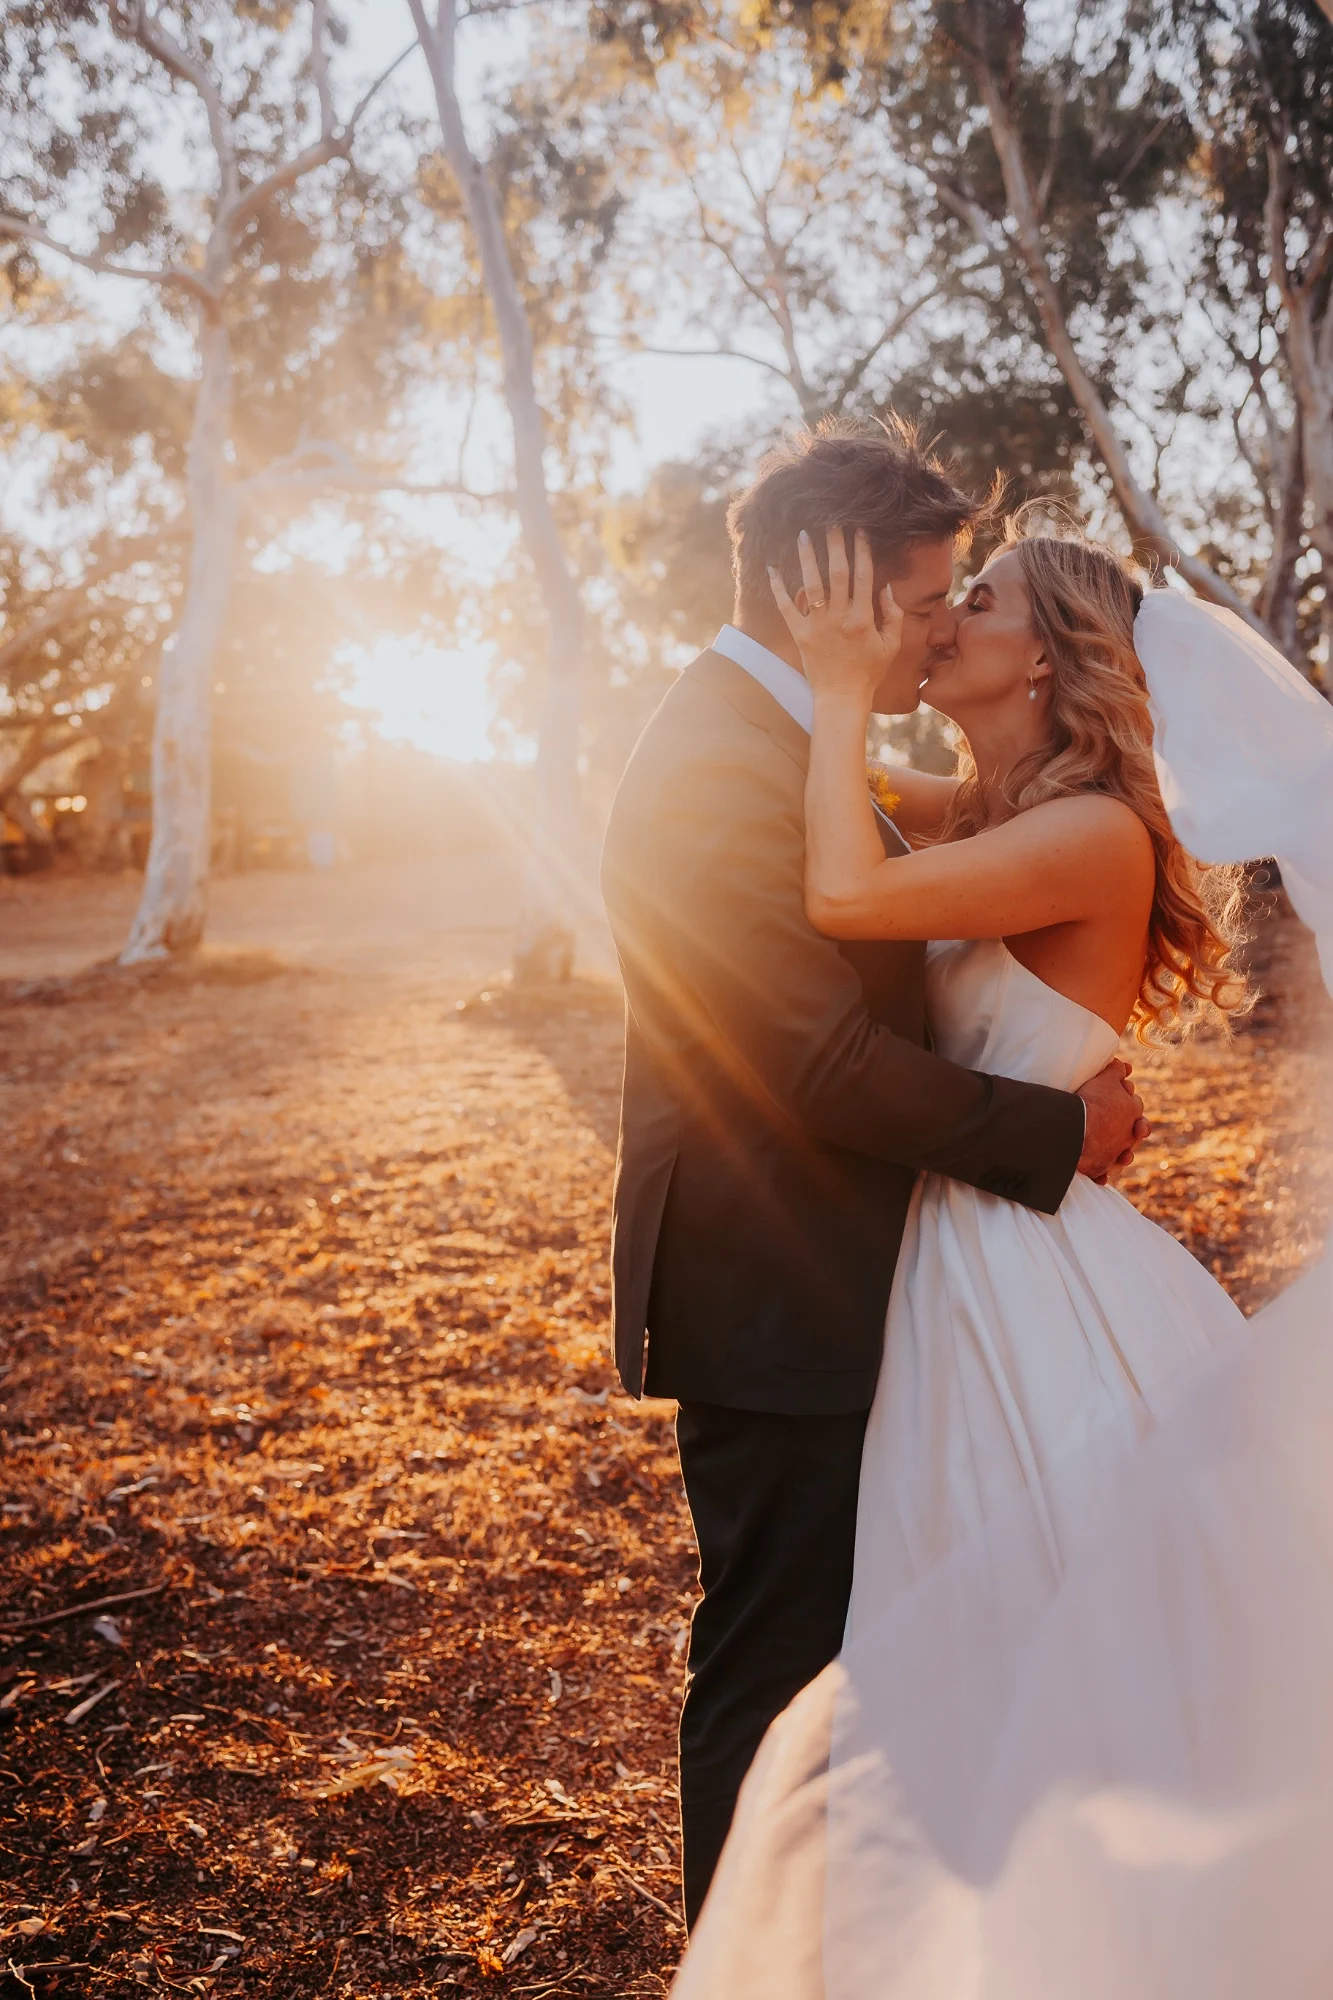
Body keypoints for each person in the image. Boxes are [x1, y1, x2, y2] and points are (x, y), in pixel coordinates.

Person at [670, 516, 1333, 1999]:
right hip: (947, 1241)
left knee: (1034, 1624)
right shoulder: (985, 807)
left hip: (1014, 1271)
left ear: (1048, 652)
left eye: (978, 597)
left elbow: (844, 891)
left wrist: (845, 684)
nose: (945, 618)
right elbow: (814, 796)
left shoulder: (1089, 830)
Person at [599, 419, 1146, 1929]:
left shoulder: (790, 738)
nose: (930, 638)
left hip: (873, 1273)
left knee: (879, 1657)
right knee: (776, 1677)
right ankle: (746, 1957)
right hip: (777, 1290)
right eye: (920, 607)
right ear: (815, 592)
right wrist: (1055, 1130)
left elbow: (964, 838)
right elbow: (817, 1067)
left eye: (959, 609)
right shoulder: (727, 760)